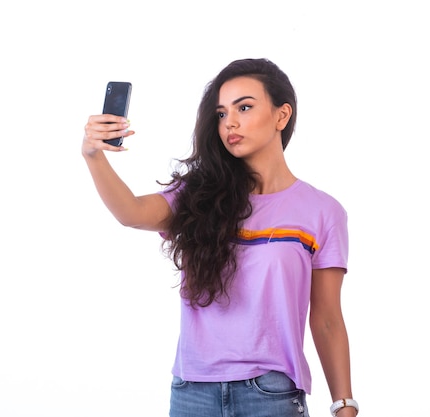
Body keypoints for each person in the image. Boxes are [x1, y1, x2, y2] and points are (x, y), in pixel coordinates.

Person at [81, 58, 356, 417]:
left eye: (244, 107)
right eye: (222, 114)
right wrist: (93, 156)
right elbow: (130, 212)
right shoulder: (196, 196)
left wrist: (344, 405)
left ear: (281, 115)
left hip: (270, 394)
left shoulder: (321, 211)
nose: (231, 123)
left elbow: (327, 319)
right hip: (192, 391)